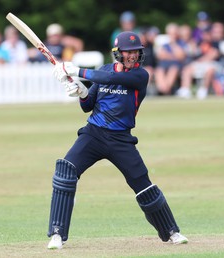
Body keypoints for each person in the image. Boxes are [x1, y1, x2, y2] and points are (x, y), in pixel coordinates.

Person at [46, 31, 188, 249]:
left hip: (121, 139)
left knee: (143, 185)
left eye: (136, 52)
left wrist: (78, 71)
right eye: (128, 52)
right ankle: (57, 234)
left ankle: (171, 232)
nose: (132, 56)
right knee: (65, 172)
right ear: (118, 53)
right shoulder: (103, 70)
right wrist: (81, 91)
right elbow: (87, 106)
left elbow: (112, 79)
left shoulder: (141, 76)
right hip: (93, 134)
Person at [176, 22, 224, 99]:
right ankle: (185, 89)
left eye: (208, 33)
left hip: (213, 64)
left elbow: (213, 55)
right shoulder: (198, 43)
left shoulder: (215, 43)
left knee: (210, 70)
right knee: (187, 69)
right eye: (204, 33)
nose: (206, 35)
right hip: (200, 64)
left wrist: (201, 60)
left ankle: (203, 90)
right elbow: (192, 53)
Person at [154, 23, 187, 95]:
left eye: (174, 33)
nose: (173, 35)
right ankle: (162, 89)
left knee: (173, 70)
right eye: (171, 33)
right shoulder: (164, 43)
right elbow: (160, 55)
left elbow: (181, 56)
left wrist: (173, 44)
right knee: (159, 71)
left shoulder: (181, 43)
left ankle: (165, 90)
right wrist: (173, 56)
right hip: (163, 64)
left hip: (176, 65)